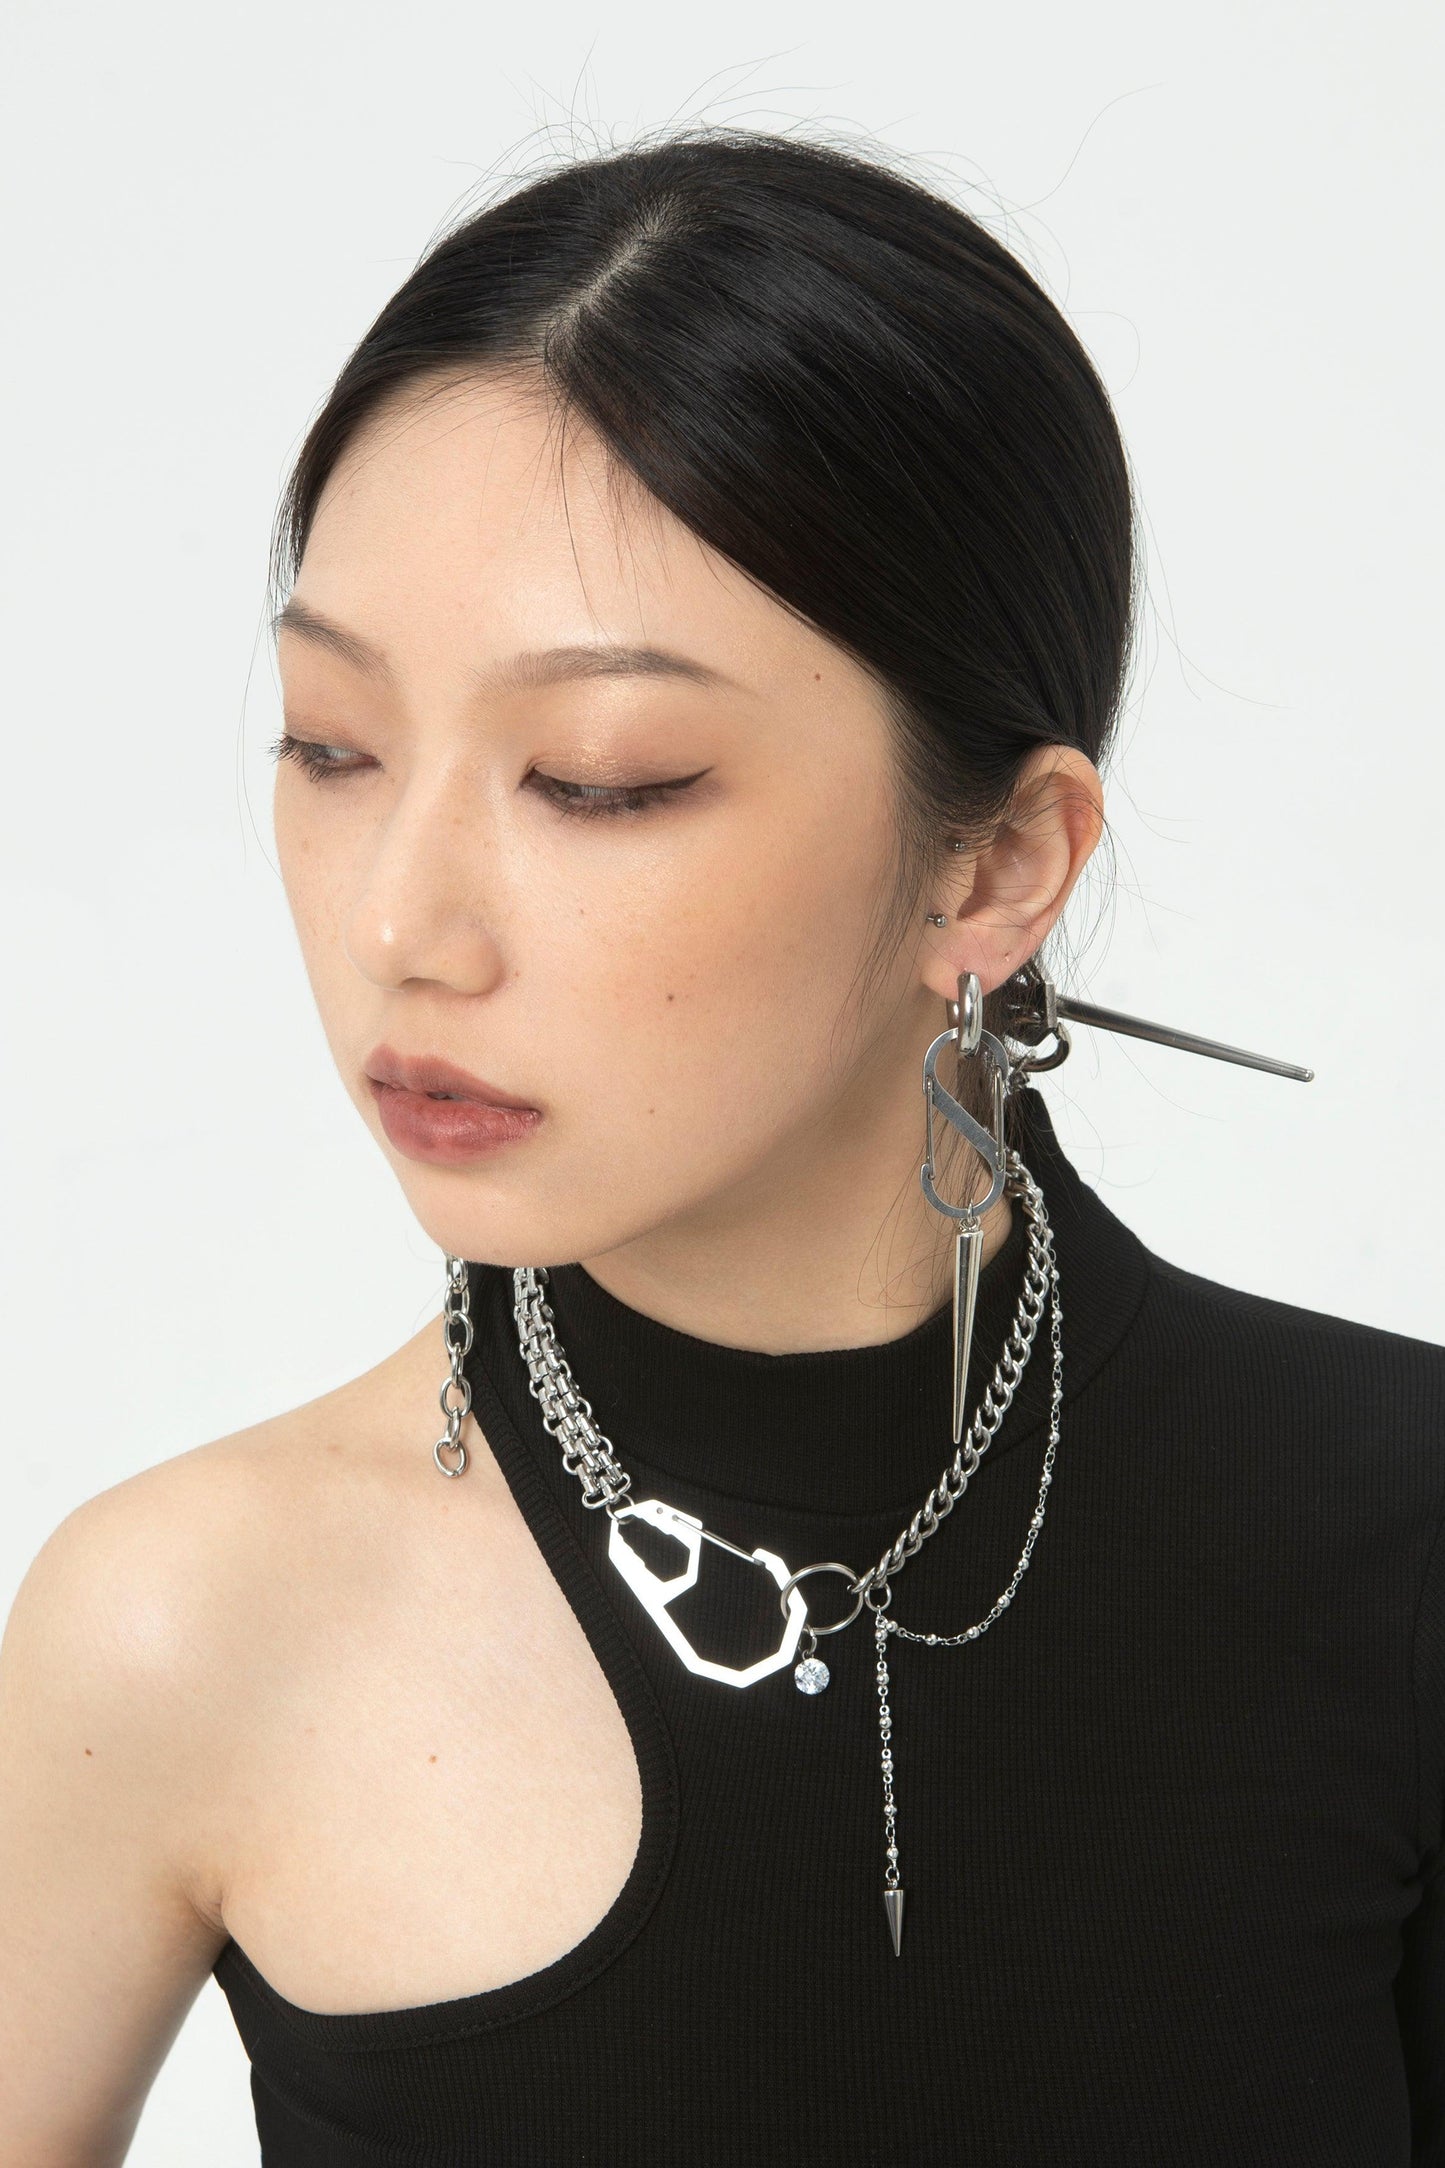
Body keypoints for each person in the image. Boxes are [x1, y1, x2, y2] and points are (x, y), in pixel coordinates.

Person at [1, 126, 1440, 2168]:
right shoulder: (185, 1629)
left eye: (600, 780)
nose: (401, 923)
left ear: (996, 863)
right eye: (331, 743)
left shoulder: (1393, 1543)